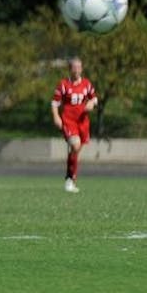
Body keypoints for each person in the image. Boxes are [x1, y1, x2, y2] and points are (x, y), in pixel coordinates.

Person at [51, 57, 97, 193]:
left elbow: (94, 98)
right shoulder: (64, 84)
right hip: (69, 121)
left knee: (75, 151)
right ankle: (70, 179)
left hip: (83, 122)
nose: (76, 70)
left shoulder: (87, 84)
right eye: (74, 67)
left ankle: (70, 178)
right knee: (75, 146)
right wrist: (56, 116)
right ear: (70, 69)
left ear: (82, 69)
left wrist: (91, 103)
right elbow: (54, 102)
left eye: (79, 67)